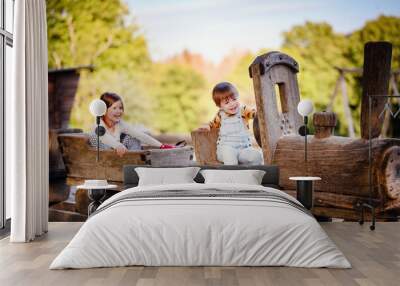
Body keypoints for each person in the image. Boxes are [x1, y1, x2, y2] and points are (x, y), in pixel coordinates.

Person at [198, 82, 263, 165]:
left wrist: (259, 113)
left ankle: (252, 175)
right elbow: (212, 124)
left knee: (255, 156)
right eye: (227, 102)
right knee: (230, 158)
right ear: (220, 106)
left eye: (234, 99)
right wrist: (207, 126)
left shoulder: (243, 110)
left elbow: (254, 113)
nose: (232, 104)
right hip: (226, 148)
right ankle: (232, 176)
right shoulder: (220, 115)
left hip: (243, 149)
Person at [92, 92, 174, 157]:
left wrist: (161, 146)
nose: (119, 111)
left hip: (118, 156)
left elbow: (139, 135)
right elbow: (105, 138)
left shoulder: (120, 124)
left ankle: (134, 161)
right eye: (114, 108)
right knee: (95, 137)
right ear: (104, 110)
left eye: (120, 108)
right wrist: (118, 146)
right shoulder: (98, 124)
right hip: (103, 156)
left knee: (133, 137)